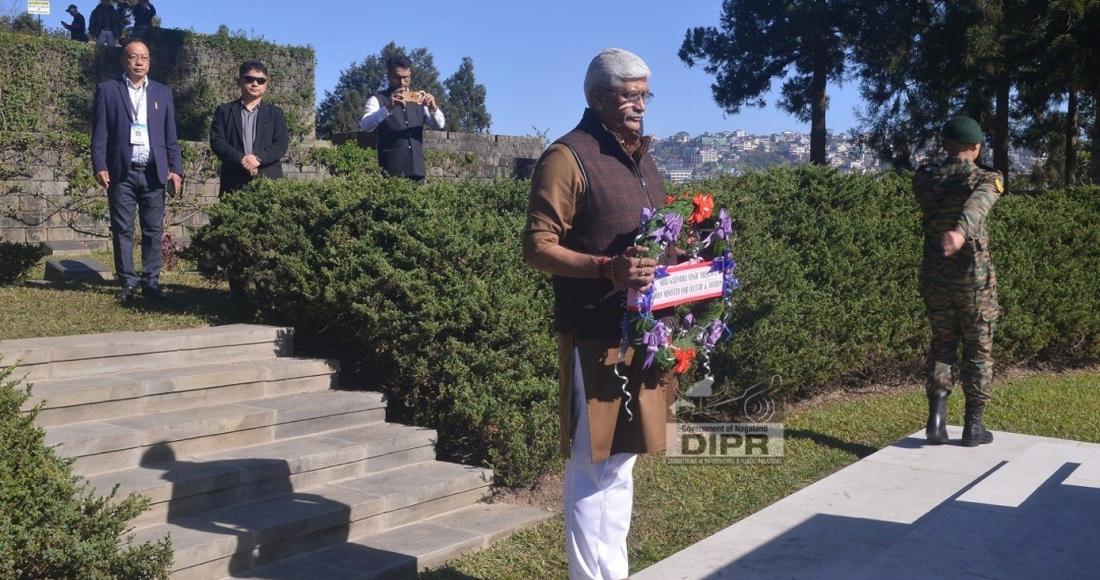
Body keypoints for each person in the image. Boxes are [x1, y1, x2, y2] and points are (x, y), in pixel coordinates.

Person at [523, 48, 670, 580]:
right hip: (593, 337)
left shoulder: (643, 159)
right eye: (630, 95)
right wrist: (608, 268)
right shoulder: (568, 156)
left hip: (642, 334)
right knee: (591, 467)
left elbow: (655, 240)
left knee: (621, 465)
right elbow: (537, 247)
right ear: (598, 97)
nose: (641, 105)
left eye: (644, 94)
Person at [914, 115, 1002, 447]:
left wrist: (952, 231)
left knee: (943, 344)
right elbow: (978, 206)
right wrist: (961, 233)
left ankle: (936, 421)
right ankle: (973, 426)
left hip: (936, 278)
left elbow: (941, 184)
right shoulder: (987, 179)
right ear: (976, 148)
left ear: (946, 145)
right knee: (979, 350)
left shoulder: (926, 179)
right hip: (973, 281)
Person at [91, 38, 182, 301]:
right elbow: (100, 134)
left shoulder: (163, 93)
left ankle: (151, 281)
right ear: (124, 61)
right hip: (122, 171)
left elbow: (170, 136)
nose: (139, 62)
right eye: (133, 57)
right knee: (123, 229)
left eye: (144, 57)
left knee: (153, 229)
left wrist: (176, 169)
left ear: (150, 61)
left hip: (154, 172)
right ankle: (128, 282)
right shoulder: (108, 90)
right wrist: (100, 164)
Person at [358, 55, 445, 181]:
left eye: (406, 78)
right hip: (391, 172)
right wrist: (388, 109)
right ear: (388, 75)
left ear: (410, 74)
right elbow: (365, 125)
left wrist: (433, 108)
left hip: (418, 172)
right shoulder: (377, 100)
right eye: (397, 78)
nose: (402, 82)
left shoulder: (419, 99)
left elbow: (440, 125)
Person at [209, 61, 289, 194]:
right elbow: (217, 142)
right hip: (233, 182)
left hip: (269, 184)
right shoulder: (224, 111)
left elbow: (281, 144)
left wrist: (258, 159)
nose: (255, 83)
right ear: (239, 81)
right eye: (249, 79)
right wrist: (242, 160)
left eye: (261, 80)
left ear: (266, 85)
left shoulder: (276, 113)